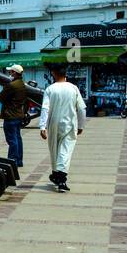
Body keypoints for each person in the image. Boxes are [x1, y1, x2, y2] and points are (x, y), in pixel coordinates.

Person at [39, 63, 86, 192]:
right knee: (66, 150)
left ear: (54, 73)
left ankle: (56, 174)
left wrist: (42, 127)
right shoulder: (73, 88)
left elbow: (45, 108)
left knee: (54, 150)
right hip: (70, 123)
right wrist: (81, 125)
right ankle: (61, 178)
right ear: (65, 74)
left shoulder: (50, 89)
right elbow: (81, 108)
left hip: (53, 123)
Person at [0, 63, 29, 167]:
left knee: (12, 139)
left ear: (14, 73)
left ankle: (12, 160)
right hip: (18, 114)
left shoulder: (11, 85)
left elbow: (1, 97)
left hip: (10, 115)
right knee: (18, 138)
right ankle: (19, 160)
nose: (9, 73)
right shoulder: (22, 84)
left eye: (10, 71)